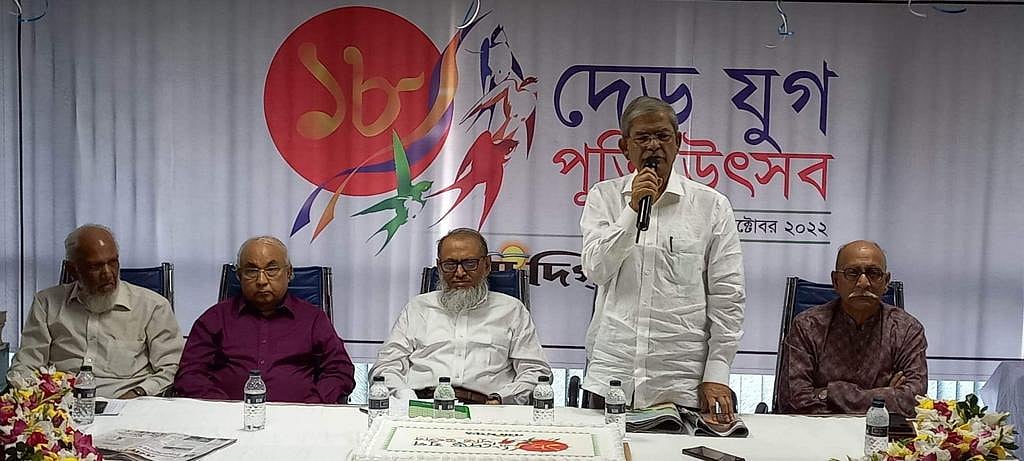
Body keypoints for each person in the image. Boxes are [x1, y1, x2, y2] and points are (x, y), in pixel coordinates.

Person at [580, 96, 745, 420]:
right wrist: (630, 213)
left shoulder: (711, 206)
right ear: (624, 146)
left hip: (681, 380)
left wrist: (717, 372)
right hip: (613, 375)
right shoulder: (604, 197)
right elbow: (596, 270)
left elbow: (729, 295)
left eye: (663, 136)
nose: (654, 145)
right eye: (642, 138)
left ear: (678, 142)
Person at [370, 228, 550, 404]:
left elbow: (536, 371)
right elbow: (385, 366)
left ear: (486, 265)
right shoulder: (418, 308)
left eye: (469, 263)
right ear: (439, 267)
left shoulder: (511, 310)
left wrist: (501, 398)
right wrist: (406, 398)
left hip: (487, 409)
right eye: (450, 265)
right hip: (421, 406)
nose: (460, 273)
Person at [8, 224, 184, 398]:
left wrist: (137, 393)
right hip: (60, 406)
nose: (108, 273)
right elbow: (27, 365)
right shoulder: (46, 304)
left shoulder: (153, 306)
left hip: (128, 404)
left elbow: (170, 368)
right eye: (95, 266)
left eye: (113, 262)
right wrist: (33, 399)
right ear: (73, 270)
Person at [174, 236, 354, 403]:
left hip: (299, 421)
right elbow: (190, 374)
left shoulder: (313, 319)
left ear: (289, 273)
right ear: (238, 275)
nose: (261, 280)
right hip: (224, 420)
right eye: (251, 271)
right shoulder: (214, 318)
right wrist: (221, 407)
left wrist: (311, 406)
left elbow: (340, 370)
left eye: (272, 269)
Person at [777, 240, 927, 416]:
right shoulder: (807, 326)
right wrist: (884, 396)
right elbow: (793, 401)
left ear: (886, 281)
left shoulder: (907, 329)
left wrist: (829, 393)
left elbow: (914, 400)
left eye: (873, 273)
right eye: (852, 273)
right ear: (835, 281)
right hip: (817, 433)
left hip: (884, 434)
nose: (863, 283)